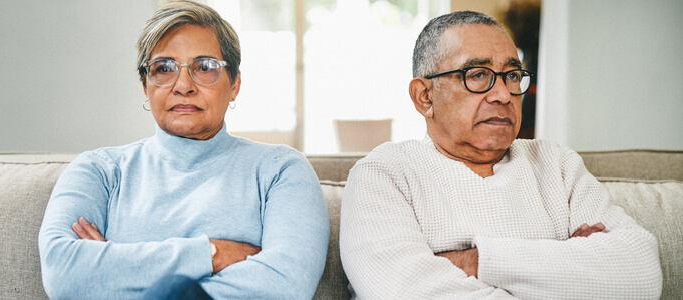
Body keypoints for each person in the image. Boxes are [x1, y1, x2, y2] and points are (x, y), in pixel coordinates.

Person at [339, 11, 662, 299]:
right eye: (477, 74)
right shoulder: (385, 172)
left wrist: (472, 260)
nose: (503, 94)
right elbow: (400, 290)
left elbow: (641, 275)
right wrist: (564, 264)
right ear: (425, 96)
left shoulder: (556, 163)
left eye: (511, 75)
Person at [38, 1, 329, 299]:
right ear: (145, 85)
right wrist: (212, 254)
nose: (183, 85)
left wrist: (116, 269)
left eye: (205, 67)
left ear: (235, 84)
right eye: (164, 68)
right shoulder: (98, 171)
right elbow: (63, 274)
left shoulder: (280, 170)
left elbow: (285, 285)